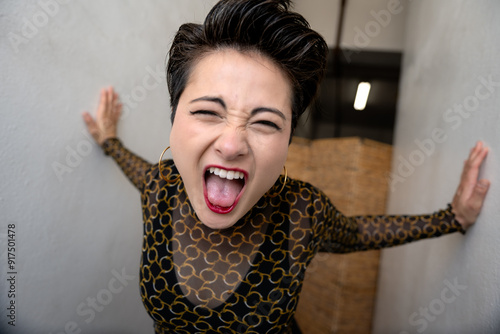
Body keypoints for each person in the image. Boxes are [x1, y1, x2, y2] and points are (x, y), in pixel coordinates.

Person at [82, 0, 490, 333]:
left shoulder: (302, 213)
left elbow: (360, 231)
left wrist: (451, 217)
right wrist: (109, 141)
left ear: (288, 141)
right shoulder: (160, 187)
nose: (231, 144)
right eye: (208, 112)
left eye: (264, 122)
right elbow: (134, 167)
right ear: (174, 120)